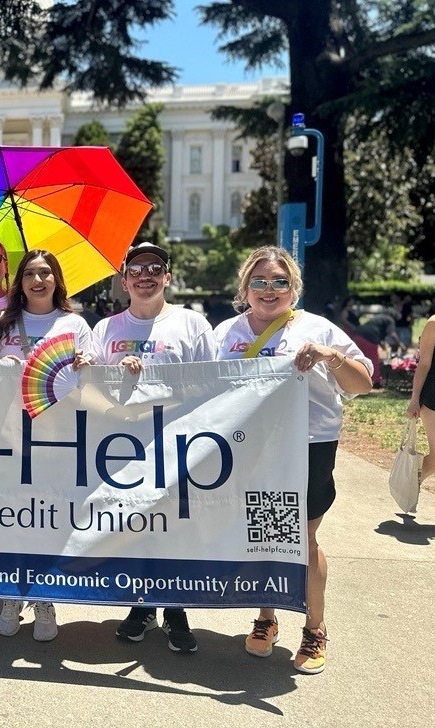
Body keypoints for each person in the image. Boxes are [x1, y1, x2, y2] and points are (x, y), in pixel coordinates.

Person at [213, 246, 372, 674]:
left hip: (308, 445)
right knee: (265, 535)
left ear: (293, 288)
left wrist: (330, 356)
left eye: (279, 281)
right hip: (251, 446)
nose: (269, 289)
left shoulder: (317, 329)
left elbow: (362, 383)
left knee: (302, 539)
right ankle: (267, 618)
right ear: (245, 287)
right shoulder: (225, 333)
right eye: (260, 281)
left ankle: (315, 629)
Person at [91, 241, 217, 653]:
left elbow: (214, 383)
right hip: (122, 445)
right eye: (137, 269)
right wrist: (117, 374)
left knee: (175, 526)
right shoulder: (106, 330)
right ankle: (142, 606)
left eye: (154, 268)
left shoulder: (192, 324)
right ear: (124, 279)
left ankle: (175, 608)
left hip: (178, 442)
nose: (145, 275)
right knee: (136, 527)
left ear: (167, 277)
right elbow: (90, 386)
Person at [0, 249, 92, 642]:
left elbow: (91, 379)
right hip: (7, 435)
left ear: (57, 279)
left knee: (47, 517)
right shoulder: (0, 322)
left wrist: (83, 365)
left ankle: (43, 596)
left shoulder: (74, 324)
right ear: (19, 282)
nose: (38, 280)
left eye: (45, 273)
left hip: (57, 437)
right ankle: (11, 594)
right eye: (30, 274)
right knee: (12, 515)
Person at [405, 312, 435, 484]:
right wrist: (414, 399)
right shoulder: (433, 323)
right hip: (432, 397)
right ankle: (410, 483)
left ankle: (412, 483)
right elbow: (424, 364)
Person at [355, 308, 403, 387]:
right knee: (374, 360)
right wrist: (400, 344)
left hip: (358, 335)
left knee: (359, 359)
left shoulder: (379, 317)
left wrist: (381, 344)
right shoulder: (390, 319)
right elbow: (392, 334)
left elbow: (377, 330)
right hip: (369, 338)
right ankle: (376, 381)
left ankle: (356, 379)